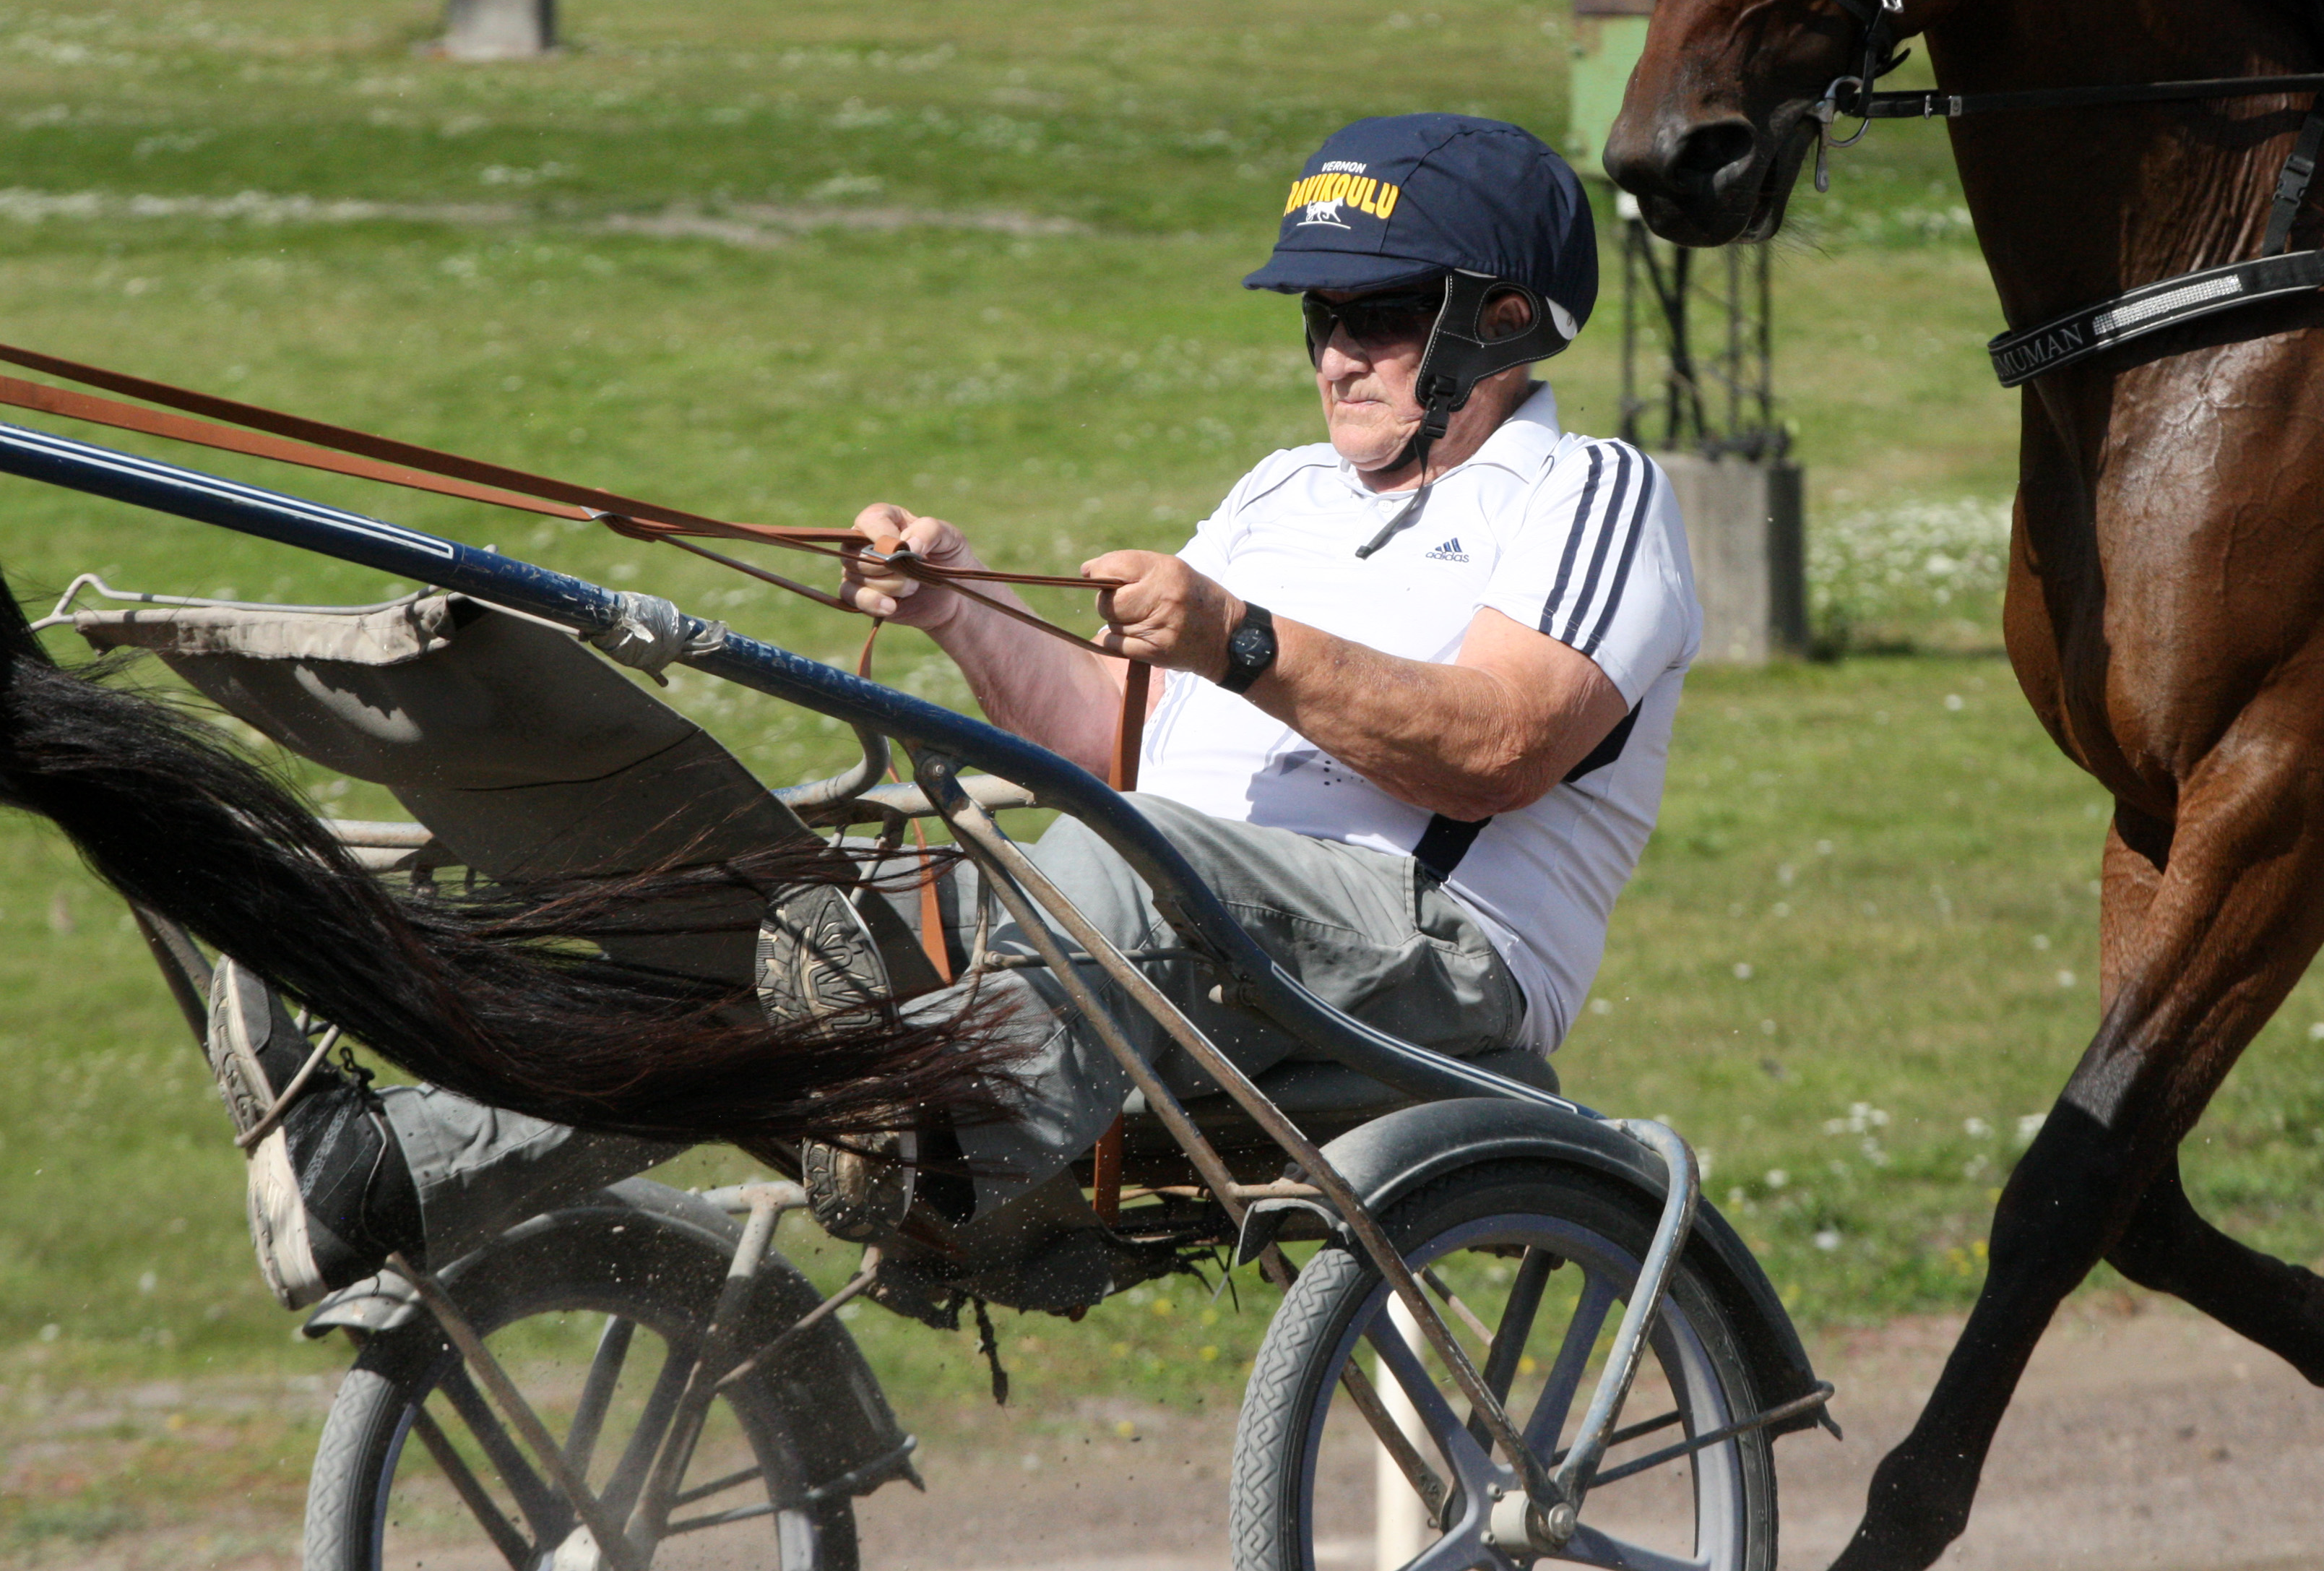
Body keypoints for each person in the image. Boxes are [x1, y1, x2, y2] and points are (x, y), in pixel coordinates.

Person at [215, 113, 1703, 1310]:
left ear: (1502, 319)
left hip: (1427, 966)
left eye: (1378, 314)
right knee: (799, 920)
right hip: (1182, 926)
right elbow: (1104, 759)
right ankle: (389, 1174)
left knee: (1114, 871)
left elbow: (1506, 743)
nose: (1333, 351)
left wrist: (1238, 638)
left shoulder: (1588, 494)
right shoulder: (1280, 492)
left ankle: (925, 1153)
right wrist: (960, 596)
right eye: (1317, 310)